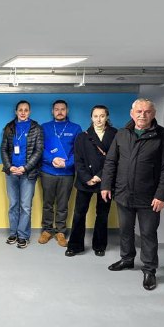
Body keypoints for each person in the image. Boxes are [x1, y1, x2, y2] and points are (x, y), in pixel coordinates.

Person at [100, 98, 164, 291]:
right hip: (123, 193)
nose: (143, 115)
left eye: (147, 111)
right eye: (139, 111)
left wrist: (162, 195)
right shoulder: (122, 134)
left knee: (148, 234)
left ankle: (149, 269)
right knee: (125, 230)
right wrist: (106, 185)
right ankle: (127, 259)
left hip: (150, 197)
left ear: (153, 114)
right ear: (132, 113)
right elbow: (111, 162)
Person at [66, 105, 117, 257]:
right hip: (85, 180)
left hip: (106, 180)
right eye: (96, 116)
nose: (99, 119)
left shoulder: (116, 135)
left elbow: (115, 158)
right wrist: (87, 178)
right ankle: (75, 246)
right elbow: (78, 160)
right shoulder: (83, 136)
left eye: (102, 116)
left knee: (102, 214)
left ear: (107, 117)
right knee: (79, 214)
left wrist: (100, 176)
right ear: (91, 118)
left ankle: (99, 245)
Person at [0, 100, 43, 249]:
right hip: (11, 172)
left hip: (28, 173)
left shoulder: (36, 128)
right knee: (13, 205)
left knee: (25, 206)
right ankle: (13, 233)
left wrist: (25, 168)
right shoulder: (9, 127)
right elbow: (4, 149)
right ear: (16, 112)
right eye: (20, 110)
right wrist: (9, 167)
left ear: (29, 112)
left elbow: (38, 150)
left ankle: (23, 236)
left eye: (26, 110)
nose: (23, 112)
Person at [39, 100, 82, 247]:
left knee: (63, 204)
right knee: (48, 203)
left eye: (62, 109)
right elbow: (40, 148)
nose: (59, 112)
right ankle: (47, 230)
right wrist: (52, 159)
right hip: (48, 171)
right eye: (56, 109)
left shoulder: (76, 128)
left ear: (67, 111)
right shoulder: (44, 127)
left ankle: (60, 231)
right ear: (52, 111)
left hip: (67, 173)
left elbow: (79, 151)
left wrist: (67, 163)